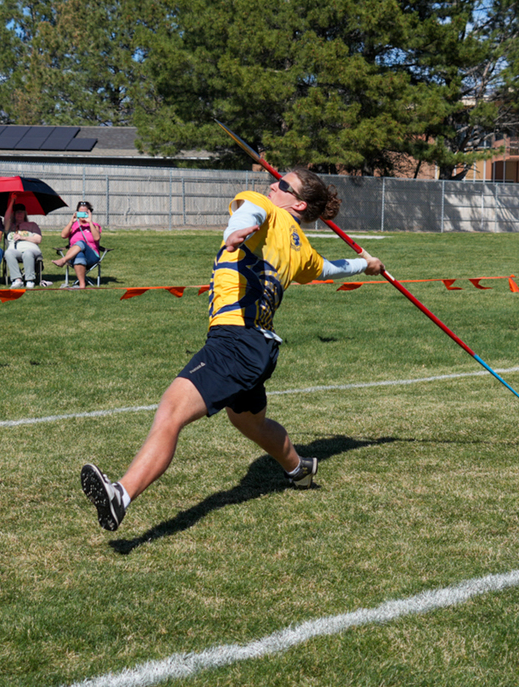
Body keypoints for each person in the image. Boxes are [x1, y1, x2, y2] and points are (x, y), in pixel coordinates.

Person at [81, 167, 385, 532]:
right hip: (260, 347)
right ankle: (299, 468)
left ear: (298, 202)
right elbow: (325, 268)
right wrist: (366, 264)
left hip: (235, 340)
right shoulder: (301, 247)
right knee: (249, 421)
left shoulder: (265, 208)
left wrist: (233, 233)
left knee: (171, 411)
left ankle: (121, 496)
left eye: (283, 185)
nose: (273, 185)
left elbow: (249, 214)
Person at [52, 200, 102, 289]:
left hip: (91, 257)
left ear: (89, 213)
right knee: (79, 253)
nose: (82, 215)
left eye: (85, 212)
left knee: (81, 243)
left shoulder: (94, 225)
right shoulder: (74, 226)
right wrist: (71, 221)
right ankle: (82, 285)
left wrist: (89, 222)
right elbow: (63, 235)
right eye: (80, 212)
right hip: (74, 256)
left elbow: (97, 238)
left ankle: (63, 260)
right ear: (77, 213)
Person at [3, 197, 43, 289]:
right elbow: (6, 218)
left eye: (21, 212)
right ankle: (17, 280)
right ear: (13, 214)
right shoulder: (10, 226)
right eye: (17, 212)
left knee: (27, 253)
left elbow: (38, 239)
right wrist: (12, 202)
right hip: (15, 251)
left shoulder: (32, 225)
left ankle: (30, 280)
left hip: (31, 250)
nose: (19, 214)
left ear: (25, 213)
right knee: (8, 253)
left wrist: (23, 237)